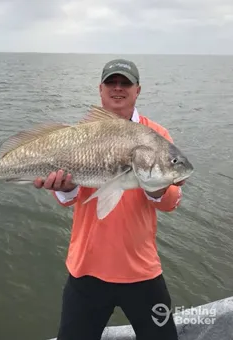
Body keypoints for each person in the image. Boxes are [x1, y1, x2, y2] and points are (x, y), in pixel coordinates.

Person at [33, 59, 185, 340]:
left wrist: (156, 188)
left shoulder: (156, 136)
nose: (118, 88)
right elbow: (69, 200)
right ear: (100, 89)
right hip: (86, 268)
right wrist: (63, 187)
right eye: (111, 83)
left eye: (125, 83)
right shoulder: (77, 136)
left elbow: (172, 203)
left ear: (137, 90)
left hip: (141, 269)